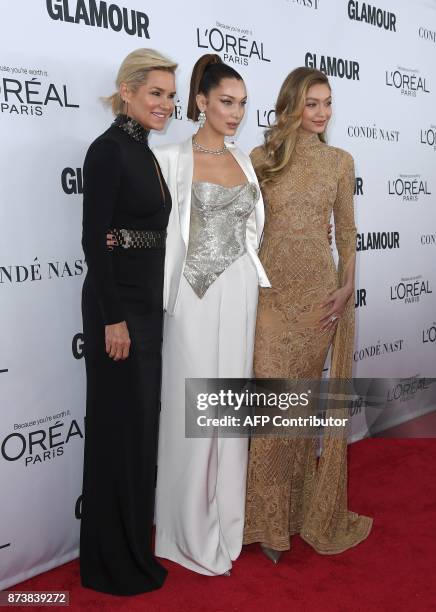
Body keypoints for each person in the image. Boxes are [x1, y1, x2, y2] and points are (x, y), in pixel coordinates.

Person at [243, 67, 373, 563]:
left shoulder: (341, 161)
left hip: (320, 299)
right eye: (311, 103)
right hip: (271, 299)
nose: (321, 113)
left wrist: (346, 288)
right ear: (291, 106)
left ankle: (296, 513)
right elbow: (243, 232)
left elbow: (347, 231)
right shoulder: (261, 158)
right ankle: (265, 522)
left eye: (327, 102)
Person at [152, 54, 270, 576]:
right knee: (192, 411)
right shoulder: (170, 158)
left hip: (240, 291)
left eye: (242, 104)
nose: (236, 112)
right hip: (192, 298)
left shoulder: (246, 161)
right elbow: (156, 235)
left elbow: (250, 232)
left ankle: (226, 521)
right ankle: (185, 529)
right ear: (201, 102)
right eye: (226, 102)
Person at [80, 48, 176, 595]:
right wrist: (113, 319)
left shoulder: (146, 152)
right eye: (154, 93)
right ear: (127, 91)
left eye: (168, 95)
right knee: (119, 431)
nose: (164, 104)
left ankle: (133, 550)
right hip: (117, 311)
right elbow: (96, 241)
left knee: (139, 432)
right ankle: (109, 563)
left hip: (146, 305)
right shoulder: (108, 150)